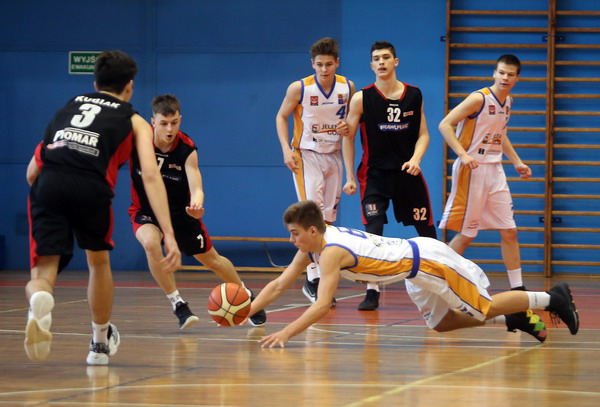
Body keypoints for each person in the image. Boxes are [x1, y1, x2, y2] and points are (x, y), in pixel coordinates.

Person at [24, 50, 181, 365]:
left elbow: (31, 172)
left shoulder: (68, 108)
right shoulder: (135, 121)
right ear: (130, 86)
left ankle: (39, 299)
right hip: (91, 186)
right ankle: (99, 344)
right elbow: (151, 176)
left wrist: (49, 198)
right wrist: (169, 233)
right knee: (97, 262)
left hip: (49, 183)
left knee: (43, 270)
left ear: (95, 83)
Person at [246, 200, 579, 348]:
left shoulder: (331, 252)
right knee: (441, 323)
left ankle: (553, 298)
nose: (292, 240)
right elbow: (279, 284)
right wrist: (245, 311)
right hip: (414, 270)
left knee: (485, 307)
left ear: (312, 230)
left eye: (295, 233)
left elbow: (321, 306)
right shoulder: (317, 242)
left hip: (429, 263)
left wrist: (285, 333)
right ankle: (514, 318)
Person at [128, 94, 267, 328]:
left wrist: (197, 204)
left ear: (180, 120)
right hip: (146, 210)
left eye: (174, 122)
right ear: (153, 122)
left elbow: (197, 188)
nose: (169, 129)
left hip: (180, 213)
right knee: (151, 243)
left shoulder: (187, 149)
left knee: (213, 261)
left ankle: (246, 296)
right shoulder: (138, 141)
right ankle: (178, 304)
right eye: (163, 123)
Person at [344, 41, 437, 311]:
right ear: (371, 65)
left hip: (407, 172)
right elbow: (347, 137)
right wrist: (349, 176)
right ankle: (372, 290)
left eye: (386, 57)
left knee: (427, 232)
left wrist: (416, 159)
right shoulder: (362, 98)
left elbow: (423, 134)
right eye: (376, 58)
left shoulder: (414, 94)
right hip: (374, 175)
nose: (381, 62)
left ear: (395, 62)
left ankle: (442, 279)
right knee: (373, 233)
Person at [438, 54, 530, 291]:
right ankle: (434, 275)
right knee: (467, 234)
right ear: (494, 73)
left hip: (495, 170)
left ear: (517, 78)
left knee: (509, 231)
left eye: (510, 74)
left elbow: (500, 135)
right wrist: (463, 154)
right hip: (472, 169)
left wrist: (517, 162)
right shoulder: (478, 98)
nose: (505, 78)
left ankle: (517, 289)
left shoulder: (507, 102)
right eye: (501, 72)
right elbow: (445, 124)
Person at [275, 37, 356, 307]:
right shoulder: (299, 88)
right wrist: (286, 149)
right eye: (319, 65)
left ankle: (319, 275)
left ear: (337, 63)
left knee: (327, 221)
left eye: (328, 64)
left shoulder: (347, 87)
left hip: (334, 154)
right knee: (312, 214)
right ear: (312, 64)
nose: (324, 69)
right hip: (306, 155)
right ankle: (313, 276)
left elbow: (351, 123)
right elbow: (281, 116)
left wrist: (347, 127)